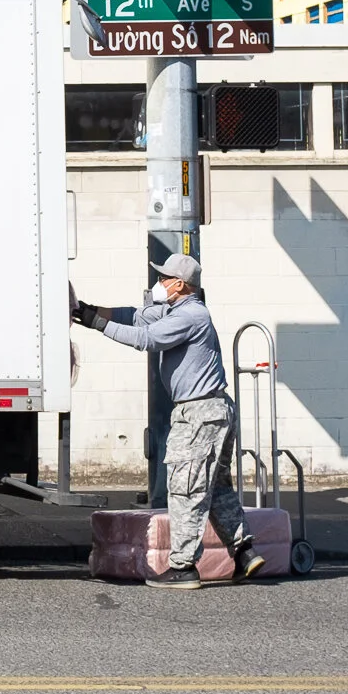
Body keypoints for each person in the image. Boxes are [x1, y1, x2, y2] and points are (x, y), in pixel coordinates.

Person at [72, 252, 263, 589]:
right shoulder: (174, 310)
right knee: (216, 488)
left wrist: (98, 325)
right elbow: (133, 316)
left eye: (164, 278)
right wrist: (88, 311)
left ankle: (183, 567)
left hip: (199, 414)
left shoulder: (191, 316)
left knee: (185, 489)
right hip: (212, 411)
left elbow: (146, 339)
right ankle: (245, 553)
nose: (158, 283)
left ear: (180, 284)